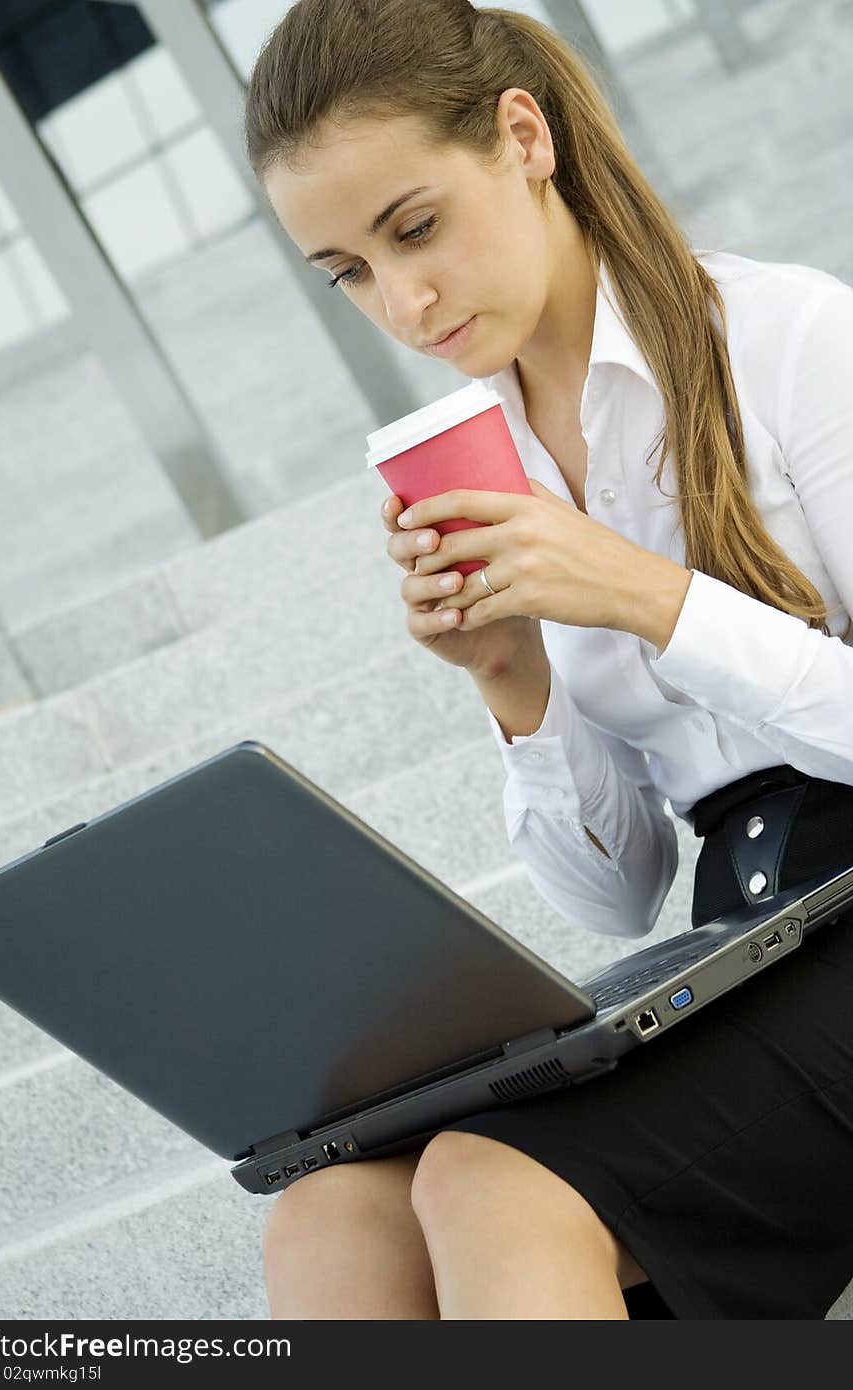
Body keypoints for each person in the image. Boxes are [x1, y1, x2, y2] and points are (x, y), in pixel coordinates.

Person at [243, 0, 853, 1319]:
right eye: (346, 270)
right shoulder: (492, 468)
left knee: (486, 1177)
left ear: (524, 137)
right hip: (742, 933)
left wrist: (643, 592)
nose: (401, 302)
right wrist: (510, 675)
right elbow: (620, 894)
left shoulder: (793, 340)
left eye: (414, 227)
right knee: (334, 1207)